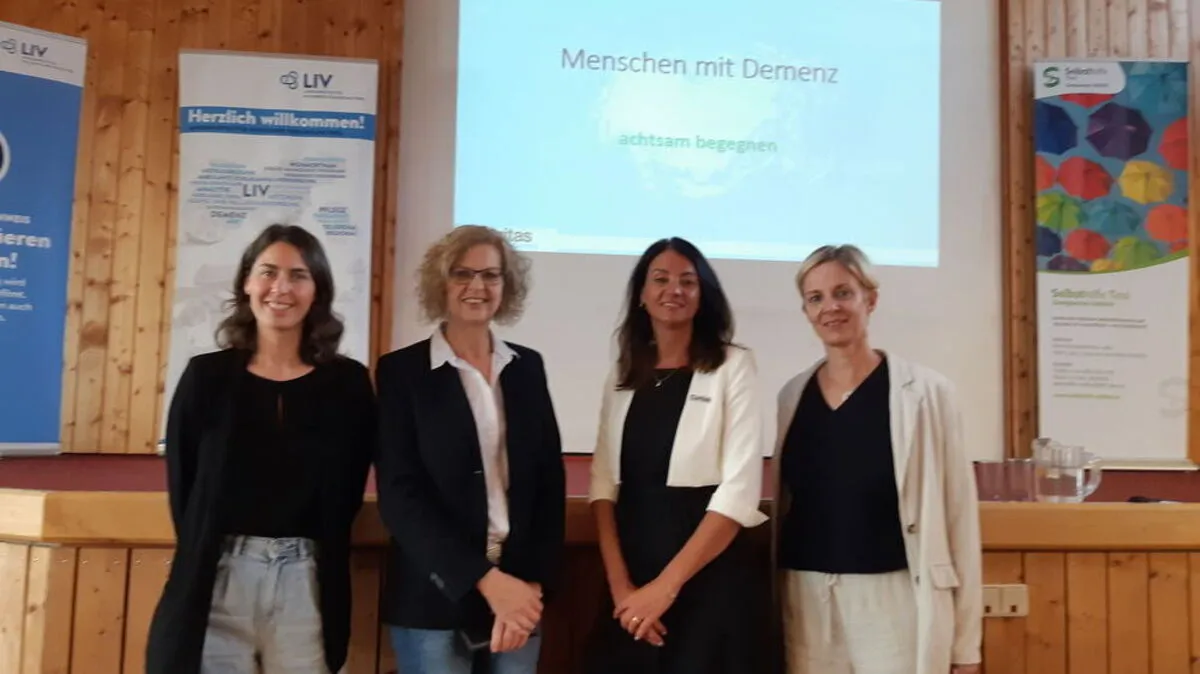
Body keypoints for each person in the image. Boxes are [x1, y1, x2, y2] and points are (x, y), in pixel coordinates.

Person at [145, 224, 377, 674]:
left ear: (317, 291)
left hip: (305, 584)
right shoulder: (205, 378)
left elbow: (349, 486)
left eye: (299, 275)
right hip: (217, 578)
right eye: (268, 272)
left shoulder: (347, 384)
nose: (281, 288)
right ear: (247, 283)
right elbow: (185, 488)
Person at [771, 243, 982, 674]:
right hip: (807, 596)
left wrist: (966, 647)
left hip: (894, 598)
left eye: (843, 292)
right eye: (816, 298)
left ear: (871, 298)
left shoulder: (927, 394)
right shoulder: (792, 396)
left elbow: (960, 517)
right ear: (807, 312)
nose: (831, 307)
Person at [375, 225, 566, 674]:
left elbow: (548, 484)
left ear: (507, 285)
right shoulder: (402, 373)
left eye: (491, 275)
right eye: (463, 274)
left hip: (519, 596)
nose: (478, 286)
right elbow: (401, 497)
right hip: (433, 598)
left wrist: (529, 589)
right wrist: (484, 581)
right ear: (441, 284)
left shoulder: (527, 367)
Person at [586, 237, 768, 674]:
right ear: (642, 296)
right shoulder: (622, 374)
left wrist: (664, 590)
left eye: (688, 281)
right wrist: (623, 591)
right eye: (661, 279)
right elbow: (602, 487)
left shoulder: (733, 366)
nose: (675, 290)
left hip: (708, 572)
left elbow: (737, 494)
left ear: (703, 295)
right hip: (633, 572)